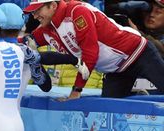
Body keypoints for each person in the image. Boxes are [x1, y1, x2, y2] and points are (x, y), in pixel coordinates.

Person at [23, 0, 164, 99]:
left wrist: (76, 90)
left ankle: (138, 96)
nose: (34, 16)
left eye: (38, 11)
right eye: (33, 12)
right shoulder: (46, 29)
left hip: (139, 54)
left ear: (53, 5)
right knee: (109, 110)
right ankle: (138, 96)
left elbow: (90, 53)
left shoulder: (77, 12)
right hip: (115, 70)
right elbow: (24, 42)